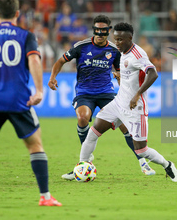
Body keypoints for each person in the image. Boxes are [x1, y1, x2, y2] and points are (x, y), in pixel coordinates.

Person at [0, 0, 61, 206]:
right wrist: (39, 90)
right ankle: (45, 197)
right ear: (17, 14)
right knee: (35, 145)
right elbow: (34, 60)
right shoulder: (25, 35)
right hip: (18, 99)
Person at [48, 15, 155, 181]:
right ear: (93, 30)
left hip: (106, 93)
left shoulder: (114, 50)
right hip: (84, 92)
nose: (99, 34)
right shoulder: (81, 46)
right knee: (83, 118)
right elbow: (61, 60)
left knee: (125, 126)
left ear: (108, 32)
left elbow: (122, 71)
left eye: (103, 31)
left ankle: (142, 162)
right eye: (97, 30)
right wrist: (53, 77)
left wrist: (120, 77)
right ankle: (84, 163)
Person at [78, 22, 177, 182]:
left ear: (129, 38)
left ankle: (167, 164)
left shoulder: (138, 55)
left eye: (120, 40)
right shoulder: (123, 52)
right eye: (115, 39)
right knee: (93, 132)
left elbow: (153, 74)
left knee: (142, 151)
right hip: (118, 103)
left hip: (136, 108)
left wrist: (137, 95)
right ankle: (82, 166)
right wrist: (120, 79)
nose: (117, 43)